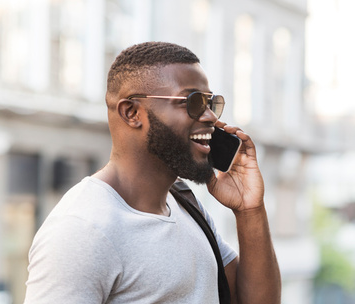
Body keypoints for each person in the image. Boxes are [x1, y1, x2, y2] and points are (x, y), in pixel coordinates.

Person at [25, 42, 281, 303]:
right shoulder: (82, 230)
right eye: (193, 102)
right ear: (132, 112)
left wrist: (250, 210)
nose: (209, 117)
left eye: (210, 103)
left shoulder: (185, 203)